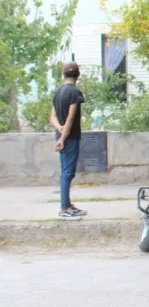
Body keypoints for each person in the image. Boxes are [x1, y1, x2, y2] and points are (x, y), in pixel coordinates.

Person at [48, 62, 87, 220]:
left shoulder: (58, 92)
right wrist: (64, 137)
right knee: (67, 173)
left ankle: (68, 204)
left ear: (64, 75)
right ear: (78, 75)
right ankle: (64, 208)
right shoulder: (75, 92)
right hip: (69, 139)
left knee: (66, 171)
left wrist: (60, 129)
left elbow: (52, 116)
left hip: (62, 136)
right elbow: (70, 118)